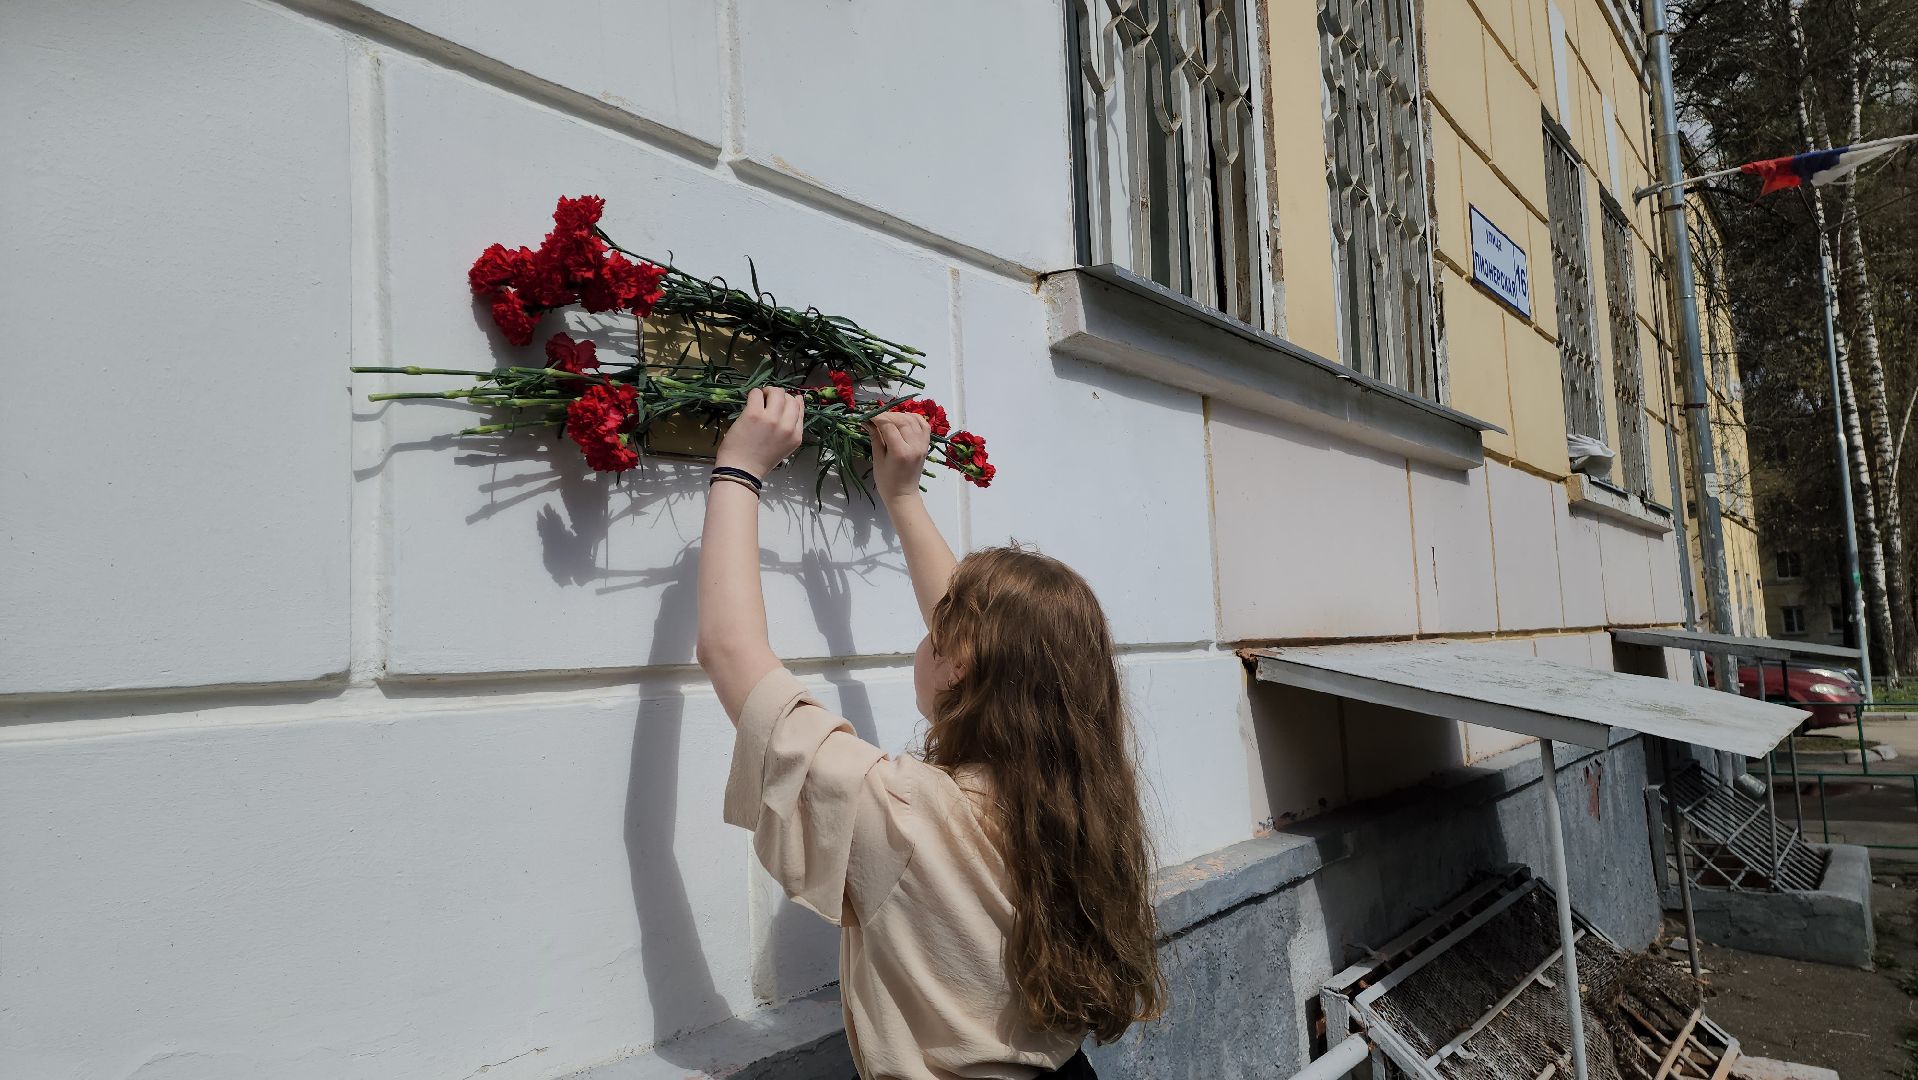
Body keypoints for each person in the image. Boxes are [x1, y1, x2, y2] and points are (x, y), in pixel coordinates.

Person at [695, 388, 1166, 1079]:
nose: (926, 637)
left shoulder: (904, 812)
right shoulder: (1075, 795)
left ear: (960, 664)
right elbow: (992, 647)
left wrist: (738, 468)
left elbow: (732, 651)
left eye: (934, 632)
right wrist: (904, 496)